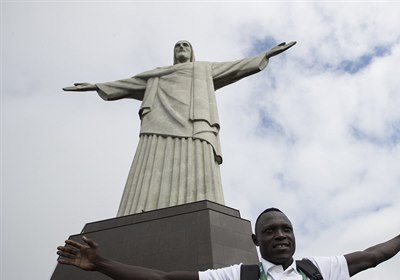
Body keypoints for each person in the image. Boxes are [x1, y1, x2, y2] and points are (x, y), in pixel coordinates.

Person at [63, 41, 296, 216]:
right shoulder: (157, 74)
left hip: (196, 124)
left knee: (199, 168)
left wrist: (265, 55)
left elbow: (235, 67)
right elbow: (126, 84)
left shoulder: (203, 69)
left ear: (192, 52)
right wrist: (95, 86)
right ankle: (138, 213)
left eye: (185, 45)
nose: (181, 47)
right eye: (177, 46)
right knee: (150, 169)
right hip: (157, 126)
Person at [57, 208, 400, 280]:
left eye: (286, 229)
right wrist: (101, 264)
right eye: (271, 231)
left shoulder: (320, 272)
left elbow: (370, 257)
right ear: (255, 239)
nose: (280, 235)